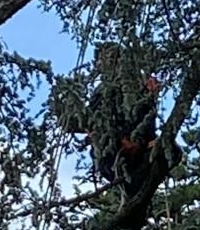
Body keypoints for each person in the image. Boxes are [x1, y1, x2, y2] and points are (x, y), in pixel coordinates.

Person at [54, 44, 160, 195]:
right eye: (104, 60)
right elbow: (93, 121)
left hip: (141, 149)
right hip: (112, 155)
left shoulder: (136, 85)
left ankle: (139, 148)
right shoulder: (102, 92)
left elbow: (145, 115)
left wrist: (151, 96)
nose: (107, 64)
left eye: (113, 59)